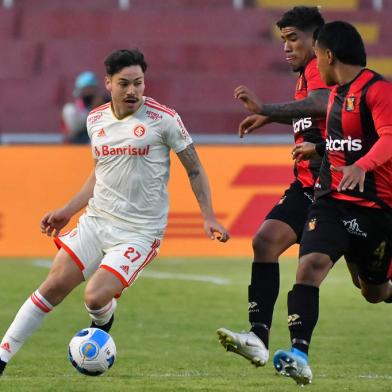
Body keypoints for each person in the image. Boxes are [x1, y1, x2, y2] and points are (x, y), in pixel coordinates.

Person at [0, 49, 230, 376]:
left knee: (94, 297)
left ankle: (104, 319)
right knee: (51, 286)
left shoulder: (164, 119)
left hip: (139, 232)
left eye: (139, 83)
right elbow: (100, 173)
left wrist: (208, 215)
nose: (133, 91)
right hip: (97, 221)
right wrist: (67, 210)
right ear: (108, 83)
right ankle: (2, 358)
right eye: (124, 83)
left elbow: (194, 169)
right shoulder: (96, 120)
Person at [273, 21, 392, 386]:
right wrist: (321, 148)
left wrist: (362, 166)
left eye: (317, 57)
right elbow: (347, 144)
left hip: (376, 209)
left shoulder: (379, 90)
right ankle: (299, 354)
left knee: (372, 291)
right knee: (309, 266)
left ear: (327, 55)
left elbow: (388, 138)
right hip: (332, 200)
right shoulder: (338, 94)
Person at [217, 6, 329, 367]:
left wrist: (266, 107)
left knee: (373, 289)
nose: (286, 47)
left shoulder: (321, 69)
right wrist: (268, 117)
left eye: (293, 38)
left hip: (339, 189)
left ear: (317, 40)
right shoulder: (305, 73)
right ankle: (258, 337)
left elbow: (321, 105)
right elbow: (308, 111)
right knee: (265, 240)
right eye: (283, 40)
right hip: (307, 184)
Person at [62, 71, 108, 144]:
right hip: (76, 146)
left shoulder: (104, 105)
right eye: (87, 89)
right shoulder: (71, 109)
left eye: (92, 89)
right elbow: (75, 128)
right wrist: (93, 110)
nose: (90, 92)